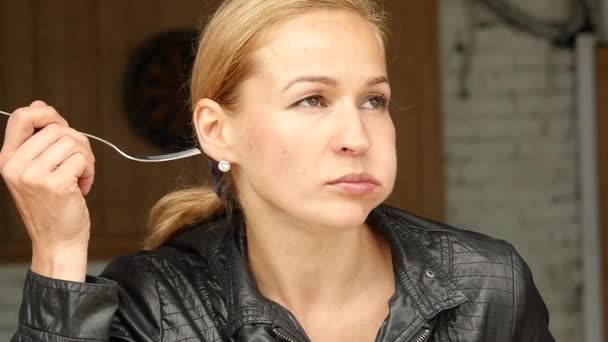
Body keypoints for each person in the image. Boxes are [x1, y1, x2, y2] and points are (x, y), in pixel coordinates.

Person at [1, 0, 554, 341]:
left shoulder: (488, 285)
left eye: (374, 101)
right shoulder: (156, 305)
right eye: (312, 100)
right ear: (218, 131)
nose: (357, 138)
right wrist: (58, 250)